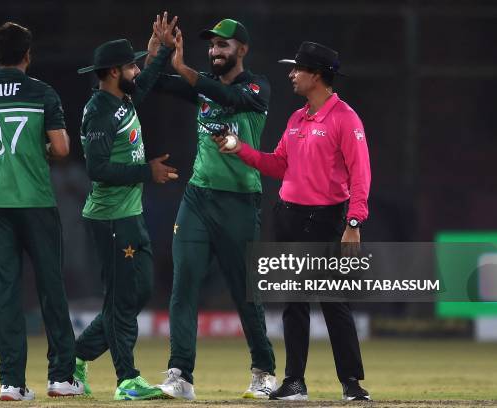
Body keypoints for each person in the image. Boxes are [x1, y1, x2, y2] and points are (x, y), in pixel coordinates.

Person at [216, 41, 372, 401]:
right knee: (293, 302)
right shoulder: (297, 118)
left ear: (316, 76)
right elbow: (278, 164)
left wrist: (354, 222)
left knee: (334, 302)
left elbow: (361, 174)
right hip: (288, 216)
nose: (291, 75)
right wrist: (239, 148)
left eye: (297, 69)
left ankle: (351, 383)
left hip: (327, 219)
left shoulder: (345, 118)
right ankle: (295, 383)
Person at [0, 22, 83, 401]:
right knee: (51, 290)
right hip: (36, 204)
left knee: (5, 295)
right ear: (28, 55)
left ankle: (12, 383)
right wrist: (33, 155)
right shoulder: (42, 93)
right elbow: (60, 149)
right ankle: (60, 378)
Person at [149, 18, 276, 400]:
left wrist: (184, 69)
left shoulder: (257, 87)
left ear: (242, 49)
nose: (215, 52)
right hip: (198, 198)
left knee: (243, 291)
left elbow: (231, 100)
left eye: (224, 45)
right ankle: (180, 375)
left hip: (239, 199)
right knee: (184, 283)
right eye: (212, 46)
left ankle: (264, 371)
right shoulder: (200, 86)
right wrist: (156, 49)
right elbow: (153, 81)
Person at [72, 13, 179, 401]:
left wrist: (162, 49)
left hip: (128, 215)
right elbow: (96, 168)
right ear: (115, 71)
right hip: (110, 217)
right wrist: (146, 171)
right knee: (121, 300)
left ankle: (74, 358)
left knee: (136, 293)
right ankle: (127, 379)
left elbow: (147, 79)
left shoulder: (121, 98)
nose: (138, 69)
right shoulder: (100, 110)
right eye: (132, 65)